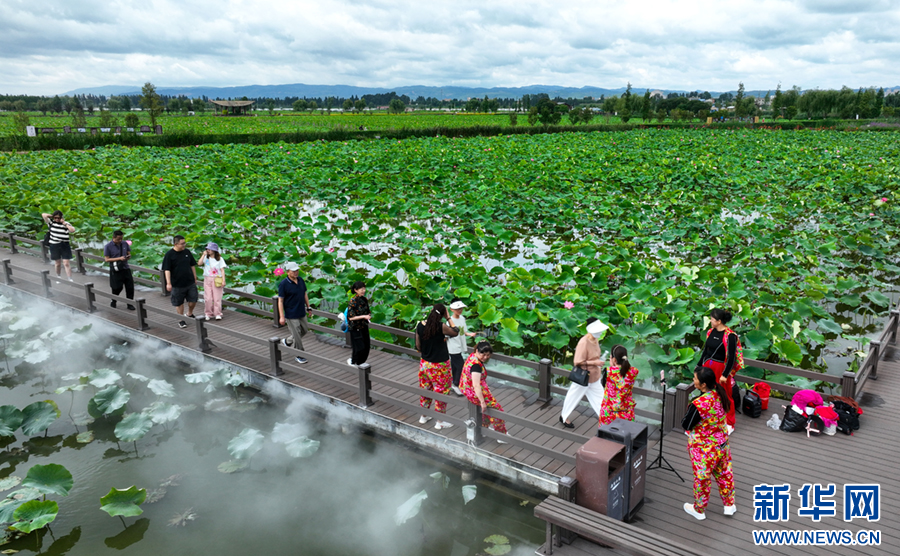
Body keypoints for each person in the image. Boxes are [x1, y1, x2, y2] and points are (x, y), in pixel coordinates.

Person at [682, 366, 736, 520]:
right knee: (725, 474)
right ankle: (729, 505)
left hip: (704, 449)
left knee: (702, 478)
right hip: (722, 444)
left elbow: (686, 424)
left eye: (695, 379)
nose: (693, 380)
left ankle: (699, 510)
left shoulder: (699, 404)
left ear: (703, 384)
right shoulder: (720, 394)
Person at [415, 303, 459, 430]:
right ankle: (439, 421)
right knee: (441, 392)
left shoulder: (420, 324)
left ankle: (424, 416)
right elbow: (455, 332)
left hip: (425, 364)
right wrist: (449, 318)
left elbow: (418, 345)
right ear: (443, 314)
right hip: (440, 366)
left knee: (425, 389)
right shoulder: (441, 326)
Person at [559, 318, 608, 428]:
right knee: (572, 397)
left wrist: (598, 363)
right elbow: (577, 362)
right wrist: (595, 362)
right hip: (583, 377)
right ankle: (564, 416)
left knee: (602, 399)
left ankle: (606, 421)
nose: (600, 333)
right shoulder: (583, 342)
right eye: (598, 331)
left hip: (595, 376)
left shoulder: (595, 340)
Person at [698, 308, 739, 433]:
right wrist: (699, 365)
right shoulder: (710, 332)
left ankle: (729, 423)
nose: (710, 321)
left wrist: (725, 374)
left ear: (719, 321)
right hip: (707, 365)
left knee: (725, 394)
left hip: (721, 367)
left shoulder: (730, 336)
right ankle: (706, 418)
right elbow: (706, 350)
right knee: (706, 392)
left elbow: (732, 357)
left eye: (712, 319)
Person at [459, 341, 508, 441]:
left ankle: (484, 428)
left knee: (485, 410)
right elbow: (476, 385)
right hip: (475, 392)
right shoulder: (476, 366)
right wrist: (482, 401)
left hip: (466, 388)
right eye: (483, 354)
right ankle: (501, 435)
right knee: (497, 411)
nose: (485, 357)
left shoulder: (472, 356)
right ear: (477, 351)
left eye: (488, 355)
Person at [161, 235, 198, 329]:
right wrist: (168, 283)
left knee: (193, 300)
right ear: (175, 244)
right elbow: (167, 270)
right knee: (179, 302)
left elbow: (192, 265)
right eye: (182, 244)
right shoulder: (169, 255)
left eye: (184, 243)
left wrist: (195, 276)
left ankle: (189, 313)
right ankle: (181, 319)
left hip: (190, 281)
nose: (184, 245)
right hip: (177, 283)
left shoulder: (187, 252)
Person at [278, 262, 311, 364]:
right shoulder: (283, 284)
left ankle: (287, 341)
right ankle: (299, 354)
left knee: (304, 330)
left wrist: (308, 307)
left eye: (297, 270)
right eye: (293, 271)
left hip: (301, 310)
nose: (296, 272)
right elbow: (280, 301)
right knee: (296, 334)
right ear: (287, 272)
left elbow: (304, 293)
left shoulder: (300, 280)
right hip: (291, 313)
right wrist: (281, 317)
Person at [599, 344, 639, 426]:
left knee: (605, 437)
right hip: (626, 413)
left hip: (609, 414)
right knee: (626, 436)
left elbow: (603, 384)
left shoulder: (608, 371)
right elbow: (624, 372)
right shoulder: (634, 371)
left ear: (614, 360)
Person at [447, 299, 476, 395]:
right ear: (452, 309)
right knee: (460, 366)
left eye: (461, 308)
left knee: (455, 366)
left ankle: (454, 383)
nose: (460, 310)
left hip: (460, 344)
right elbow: (446, 336)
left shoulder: (462, 318)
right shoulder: (449, 322)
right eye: (457, 309)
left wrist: (469, 334)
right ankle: (456, 384)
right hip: (453, 347)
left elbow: (462, 331)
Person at [103, 230, 134, 310]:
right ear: (113, 238)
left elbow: (128, 252)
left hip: (125, 268)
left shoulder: (124, 243)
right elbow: (107, 259)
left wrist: (128, 256)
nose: (120, 240)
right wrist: (119, 258)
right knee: (117, 287)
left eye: (121, 239)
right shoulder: (108, 246)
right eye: (118, 239)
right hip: (116, 269)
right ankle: (113, 300)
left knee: (130, 287)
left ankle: (130, 303)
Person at [41, 210, 76, 282]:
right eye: (55, 218)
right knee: (57, 263)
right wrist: (52, 216)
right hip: (54, 244)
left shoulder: (66, 224)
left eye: (58, 218)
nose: (57, 219)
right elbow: (44, 214)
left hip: (64, 245)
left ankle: (69, 278)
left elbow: (72, 230)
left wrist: (64, 223)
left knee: (66, 263)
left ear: (61, 217)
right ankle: (58, 276)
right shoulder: (51, 223)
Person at [198, 242, 227, 321]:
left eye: (210, 249)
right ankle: (208, 313)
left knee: (217, 298)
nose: (208, 250)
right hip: (207, 278)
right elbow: (199, 263)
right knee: (208, 298)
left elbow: (222, 270)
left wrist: (223, 280)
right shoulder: (206, 258)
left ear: (214, 250)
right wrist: (203, 255)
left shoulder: (220, 259)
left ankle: (217, 313)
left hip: (217, 279)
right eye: (207, 249)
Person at [346, 280, 371, 367]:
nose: (363, 290)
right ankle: (354, 361)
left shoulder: (364, 300)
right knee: (359, 347)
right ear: (356, 290)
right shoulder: (353, 301)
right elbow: (351, 317)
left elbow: (368, 311)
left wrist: (368, 315)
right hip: (355, 327)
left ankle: (360, 362)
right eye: (361, 289)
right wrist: (364, 316)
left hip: (364, 325)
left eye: (364, 288)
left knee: (367, 346)